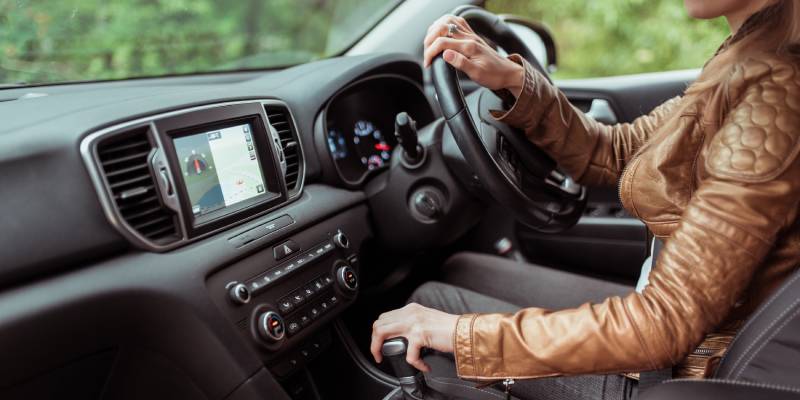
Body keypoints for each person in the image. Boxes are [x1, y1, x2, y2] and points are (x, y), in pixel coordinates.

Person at [370, 0, 800, 399]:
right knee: (458, 268)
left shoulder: (775, 96)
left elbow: (663, 325)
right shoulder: (748, 54)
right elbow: (618, 150)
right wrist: (514, 81)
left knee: (431, 308)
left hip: (682, 374)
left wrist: (461, 335)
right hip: (682, 333)